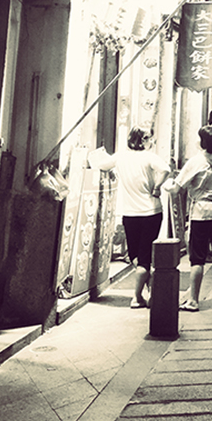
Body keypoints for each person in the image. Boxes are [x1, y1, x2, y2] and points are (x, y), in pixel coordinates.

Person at [89, 127, 170, 309]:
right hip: (151, 212)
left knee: (135, 256)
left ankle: (149, 293)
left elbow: (99, 165)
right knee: (144, 258)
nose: (151, 141)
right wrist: (157, 187)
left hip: (130, 215)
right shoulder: (149, 157)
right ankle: (138, 296)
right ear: (142, 140)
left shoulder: (120, 157)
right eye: (149, 138)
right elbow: (166, 169)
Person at [164, 121, 212, 311]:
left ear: (203, 142)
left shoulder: (195, 162)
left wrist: (167, 185)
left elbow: (177, 188)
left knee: (197, 258)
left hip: (201, 214)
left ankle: (193, 300)